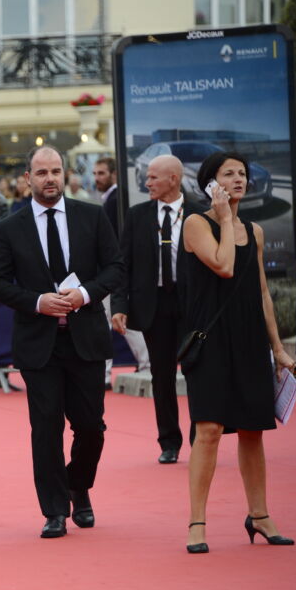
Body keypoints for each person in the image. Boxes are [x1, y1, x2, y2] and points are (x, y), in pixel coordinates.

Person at [0, 146, 123, 539]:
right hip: (38, 343)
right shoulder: (9, 228)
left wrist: (84, 294)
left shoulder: (92, 217)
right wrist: (36, 301)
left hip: (86, 339)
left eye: (56, 171)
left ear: (65, 174)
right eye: (42, 172)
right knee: (45, 428)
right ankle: (54, 509)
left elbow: (115, 268)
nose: (50, 178)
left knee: (91, 427)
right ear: (27, 178)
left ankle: (78, 486)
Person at [180, 151, 295, 554]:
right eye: (228, 174)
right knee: (208, 431)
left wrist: (278, 349)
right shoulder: (196, 223)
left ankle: (259, 515)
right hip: (210, 340)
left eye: (242, 173)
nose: (238, 179)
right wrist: (226, 218)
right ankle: (197, 521)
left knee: (252, 430)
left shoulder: (256, 231)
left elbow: (261, 291)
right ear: (210, 183)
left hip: (249, 340)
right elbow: (223, 265)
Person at [111, 155, 201, 463]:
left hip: (193, 305)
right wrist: (119, 305)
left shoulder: (200, 215)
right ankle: (169, 442)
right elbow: (123, 266)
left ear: (173, 179)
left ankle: (199, 438)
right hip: (154, 305)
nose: (146, 182)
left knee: (197, 371)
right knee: (161, 375)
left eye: (152, 177)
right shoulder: (137, 216)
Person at [95, 156, 151, 384]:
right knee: (115, 320)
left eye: (102, 173)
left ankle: (111, 373)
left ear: (114, 174)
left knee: (115, 320)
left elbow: (112, 240)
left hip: (112, 272)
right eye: (95, 173)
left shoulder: (115, 200)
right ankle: (144, 364)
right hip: (113, 271)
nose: (97, 178)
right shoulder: (112, 199)